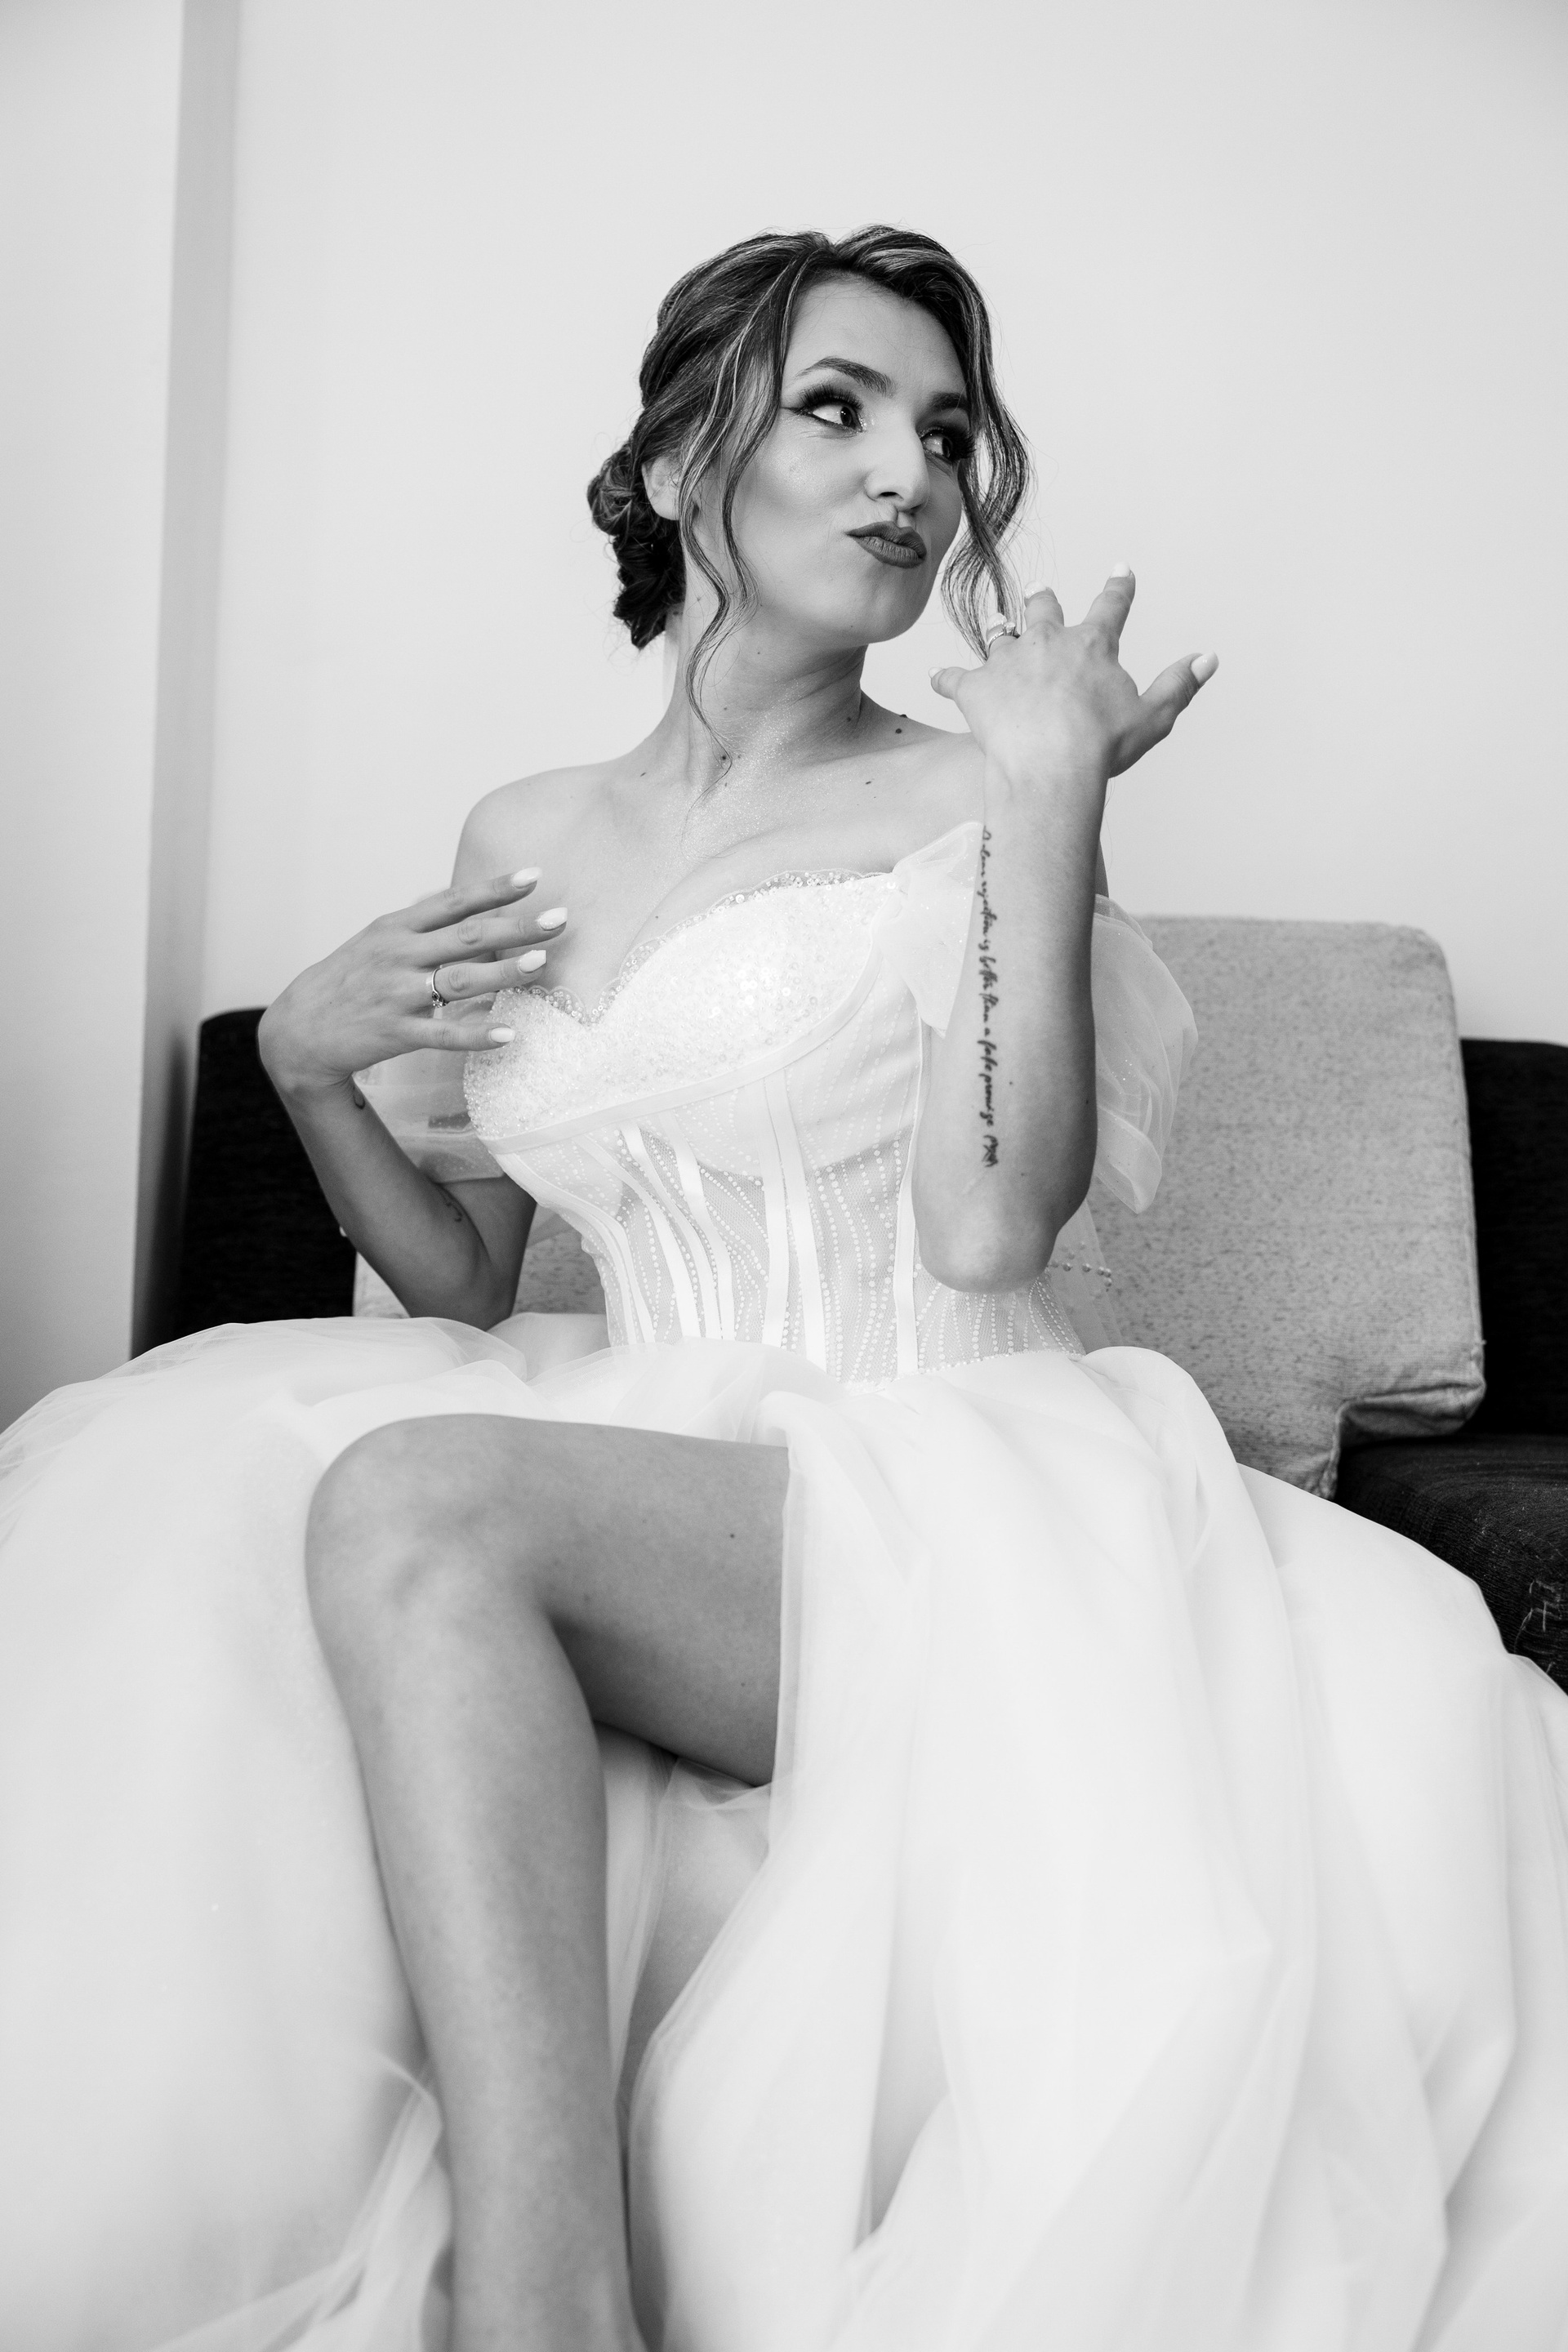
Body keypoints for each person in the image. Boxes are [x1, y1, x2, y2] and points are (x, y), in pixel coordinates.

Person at [1, 225, 1565, 2352]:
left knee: (408, 1500)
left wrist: (1046, 800)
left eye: (946, 434)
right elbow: (464, 1275)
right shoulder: (525, 825)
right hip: (648, 1455)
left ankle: (546, 2316)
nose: (908, 476)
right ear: (676, 468)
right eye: (835, 409)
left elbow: (991, 1233)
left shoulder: (973, 786)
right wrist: (305, 1068)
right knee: (193, 1528)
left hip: (953, 1484)